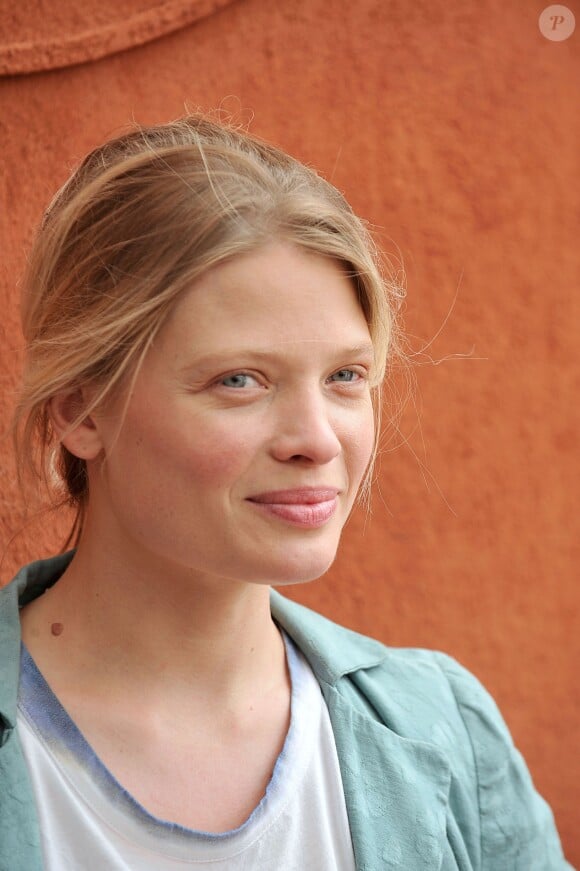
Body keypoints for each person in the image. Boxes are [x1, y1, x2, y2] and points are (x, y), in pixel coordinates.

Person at [0, 115, 571, 871]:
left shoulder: (446, 731)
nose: (318, 438)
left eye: (345, 377)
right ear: (80, 410)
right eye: (240, 380)